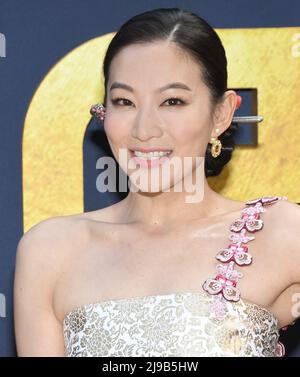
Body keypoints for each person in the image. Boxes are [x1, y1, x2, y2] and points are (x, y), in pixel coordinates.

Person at [14, 7, 300, 357]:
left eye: (173, 101)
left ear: (221, 115)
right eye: (125, 101)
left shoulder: (283, 233)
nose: (144, 130)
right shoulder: (49, 252)